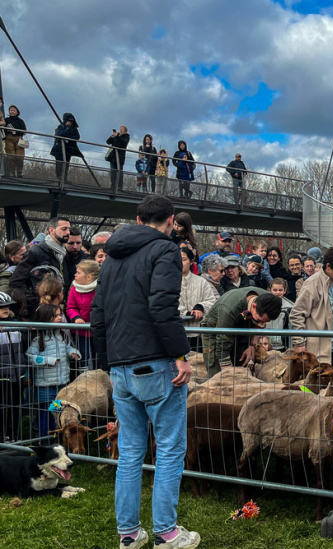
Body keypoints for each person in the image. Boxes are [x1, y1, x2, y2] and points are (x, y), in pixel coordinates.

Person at [89, 195, 200, 549]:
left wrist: (108, 361)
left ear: (138, 219)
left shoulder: (111, 258)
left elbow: (97, 314)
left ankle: (129, 534)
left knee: (131, 451)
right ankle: (167, 533)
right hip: (155, 362)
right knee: (168, 449)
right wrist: (181, 353)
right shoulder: (165, 251)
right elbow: (162, 305)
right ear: (171, 221)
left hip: (121, 366)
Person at [289, 243, 333, 363]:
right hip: (316, 350)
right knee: (310, 381)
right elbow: (297, 313)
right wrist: (299, 343)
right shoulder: (312, 284)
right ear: (328, 266)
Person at [200, 287, 282, 377]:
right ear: (254, 306)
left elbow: (260, 325)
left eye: (265, 322)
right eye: (259, 320)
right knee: (218, 373)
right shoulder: (229, 308)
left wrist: (252, 345)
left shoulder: (269, 301)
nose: (261, 324)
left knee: (244, 365)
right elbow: (222, 344)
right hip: (214, 330)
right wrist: (229, 374)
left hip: (243, 327)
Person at [27, 304, 80, 438]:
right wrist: (48, 360)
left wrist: (73, 352)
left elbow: (67, 347)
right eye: (55, 315)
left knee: (57, 412)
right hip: (45, 386)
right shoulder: (38, 338)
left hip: (61, 384)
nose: (59, 318)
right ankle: (44, 439)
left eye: (60, 315)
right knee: (45, 413)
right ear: (46, 318)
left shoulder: (61, 335)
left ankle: (56, 438)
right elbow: (30, 356)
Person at [9, 216, 72, 318]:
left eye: (69, 229)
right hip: (39, 312)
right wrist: (35, 305)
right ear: (51, 230)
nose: (68, 232)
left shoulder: (65, 254)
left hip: (58, 310)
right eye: (64, 229)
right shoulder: (36, 252)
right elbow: (16, 281)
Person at [179, 247, 218, 352]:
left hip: (199, 334)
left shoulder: (202, 282)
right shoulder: (167, 282)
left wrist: (200, 307)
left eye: (183, 259)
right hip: (177, 333)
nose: (180, 262)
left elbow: (212, 302)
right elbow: (166, 304)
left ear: (191, 261)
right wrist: (185, 313)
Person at [66, 259, 100, 372]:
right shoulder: (74, 290)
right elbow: (70, 307)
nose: (75, 274)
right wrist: (76, 317)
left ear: (89, 276)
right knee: (83, 355)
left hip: (97, 328)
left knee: (98, 355)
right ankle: (83, 376)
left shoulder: (100, 289)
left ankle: (99, 375)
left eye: (79, 272)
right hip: (81, 330)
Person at [0, 291, 25, 441]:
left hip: (17, 376)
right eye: (1, 306)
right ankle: (2, 438)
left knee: (16, 407)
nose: (6, 309)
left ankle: (14, 436)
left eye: (8, 306)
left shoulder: (15, 325)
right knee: (2, 409)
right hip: (2, 377)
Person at [49, 113, 82, 183]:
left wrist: (68, 137)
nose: (70, 122)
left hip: (68, 148)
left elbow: (77, 137)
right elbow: (61, 134)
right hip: (59, 148)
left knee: (66, 163)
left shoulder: (74, 129)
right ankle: (59, 177)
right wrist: (67, 128)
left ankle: (64, 178)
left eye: (71, 121)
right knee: (59, 163)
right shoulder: (60, 127)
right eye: (69, 120)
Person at [4, 105, 27, 177]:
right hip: (9, 138)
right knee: (11, 157)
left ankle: (19, 173)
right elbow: (3, 129)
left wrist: (16, 131)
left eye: (14, 110)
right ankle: (12, 173)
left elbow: (24, 130)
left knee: (20, 157)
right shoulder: (6, 120)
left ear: (17, 112)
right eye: (11, 110)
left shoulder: (20, 121)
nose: (12, 111)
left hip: (18, 138)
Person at [106, 126, 130, 190]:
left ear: (125, 131)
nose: (121, 131)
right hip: (113, 157)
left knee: (119, 172)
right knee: (113, 171)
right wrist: (111, 137)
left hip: (120, 157)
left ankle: (120, 186)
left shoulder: (126, 136)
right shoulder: (117, 136)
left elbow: (124, 143)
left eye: (122, 129)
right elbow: (108, 142)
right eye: (120, 129)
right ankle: (113, 185)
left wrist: (117, 136)